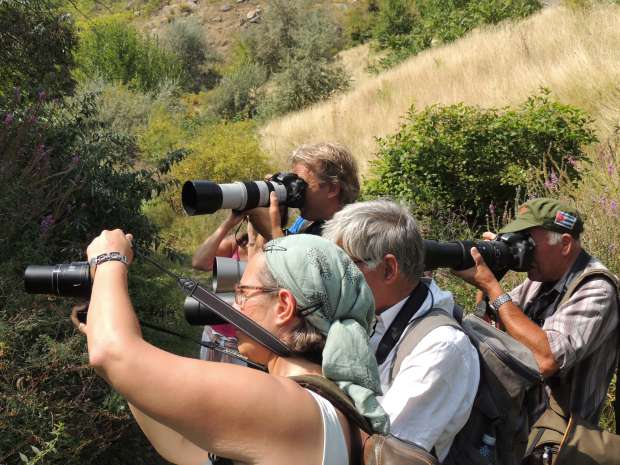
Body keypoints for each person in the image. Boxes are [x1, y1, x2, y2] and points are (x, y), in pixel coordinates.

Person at [78, 231, 388, 465]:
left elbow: (112, 354)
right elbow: (184, 450)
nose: (235, 308)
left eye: (243, 294)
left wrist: (108, 260)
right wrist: (112, 337)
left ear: (283, 306)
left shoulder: (288, 405)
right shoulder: (326, 407)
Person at [323, 199, 480, 462]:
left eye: (343, 266)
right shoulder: (374, 314)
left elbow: (381, 450)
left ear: (388, 269)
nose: (331, 278)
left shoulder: (442, 346)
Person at [454, 197, 619, 425]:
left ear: (565, 244)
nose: (524, 251)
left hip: (557, 439)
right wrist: (491, 274)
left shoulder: (597, 289)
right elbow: (491, 323)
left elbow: (547, 359)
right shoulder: (541, 277)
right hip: (521, 422)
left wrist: (493, 286)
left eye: (528, 242)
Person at [249, 142, 360, 240]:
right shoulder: (308, 222)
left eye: (301, 184)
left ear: (332, 189)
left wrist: (272, 231)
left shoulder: (355, 233)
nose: (295, 192)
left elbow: (297, 261)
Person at [191, 212, 259, 362]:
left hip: (247, 345)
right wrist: (229, 222)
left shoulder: (278, 246)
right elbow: (199, 262)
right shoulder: (235, 244)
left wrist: (254, 241)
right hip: (214, 334)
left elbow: (254, 285)